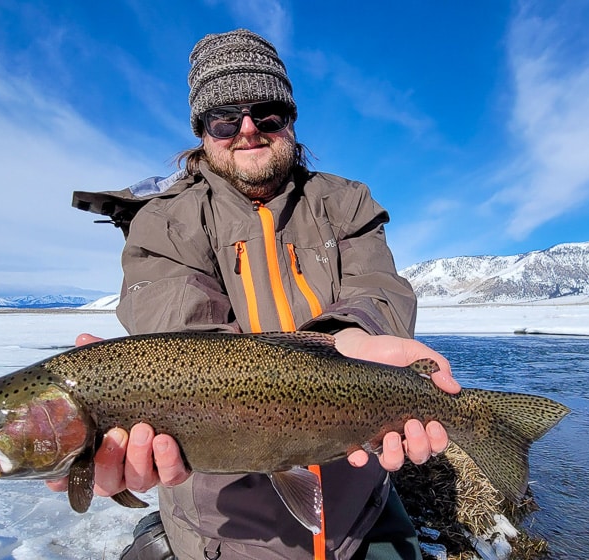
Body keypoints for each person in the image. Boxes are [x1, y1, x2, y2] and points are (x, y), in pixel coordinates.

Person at [60, 28, 458, 560]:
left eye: (267, 113)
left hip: (358, 499)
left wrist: (352, 342)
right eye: (225, 117)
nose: (248, 130)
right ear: (203, 130)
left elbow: (377, 287)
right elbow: (186, 343)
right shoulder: (164, 222)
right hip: (226, 533)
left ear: (290, 119)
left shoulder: (346, 202)